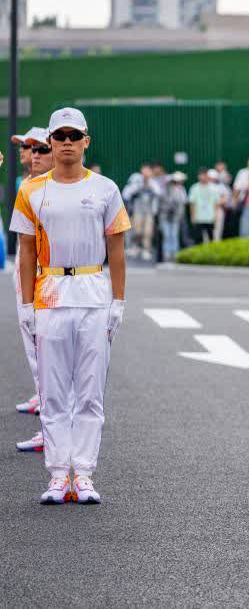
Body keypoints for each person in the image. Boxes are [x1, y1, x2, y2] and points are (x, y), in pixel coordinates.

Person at [11, 107, 130, 505]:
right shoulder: (31, 191)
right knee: (54, 390)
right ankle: (59, 474)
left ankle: (85, 474)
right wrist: (26, 305)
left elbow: (116, 246)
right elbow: (26, 251)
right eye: (58, 136)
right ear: (50, 141)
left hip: (93, 292)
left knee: (90, 391)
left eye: (72, 136)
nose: (65, 143)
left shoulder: (105, 189)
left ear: (85, 141)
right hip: (50, 294)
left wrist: (118, 300)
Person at [12, 132, 55, 455]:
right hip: (31, 275)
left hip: (50, 280)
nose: (30, 153)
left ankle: (54, 431)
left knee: (50, 356)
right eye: (27, 148)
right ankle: (51, 424)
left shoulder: (55, 189)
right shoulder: (28, 186)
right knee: (36, 349)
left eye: (38, 148)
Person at [122, 164, 161, 261]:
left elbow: (159, 192)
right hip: (137, 210)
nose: (146, 173)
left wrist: (149, 183)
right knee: (137, 230)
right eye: (144, 170)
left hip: (149, 211)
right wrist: (140, 184)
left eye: (148, 171)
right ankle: (135, 246)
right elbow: (126, 194)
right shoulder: (137, 180)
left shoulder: (153, 182)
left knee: (148, 231)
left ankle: (146, 249)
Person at [159, 172, 188, 261]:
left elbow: (182, 203)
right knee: (167, 236)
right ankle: (167, 254)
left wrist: (179, 216)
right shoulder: (162, 191)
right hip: (165, 217)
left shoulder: (180, 190)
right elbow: (160, 204)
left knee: (174, 235)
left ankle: (175, 254)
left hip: (175, 218)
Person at [188, 169, 220, 244]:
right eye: (200, 175)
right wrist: (192, 216)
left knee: (211, 238)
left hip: (210, 217)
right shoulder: (194, 188)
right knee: (198, 239)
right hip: (198, 218)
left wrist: (215, 215)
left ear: (207, 176)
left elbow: (216, 203)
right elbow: (192, 203)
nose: (202, 177)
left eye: (204, 175)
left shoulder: (214, 188)